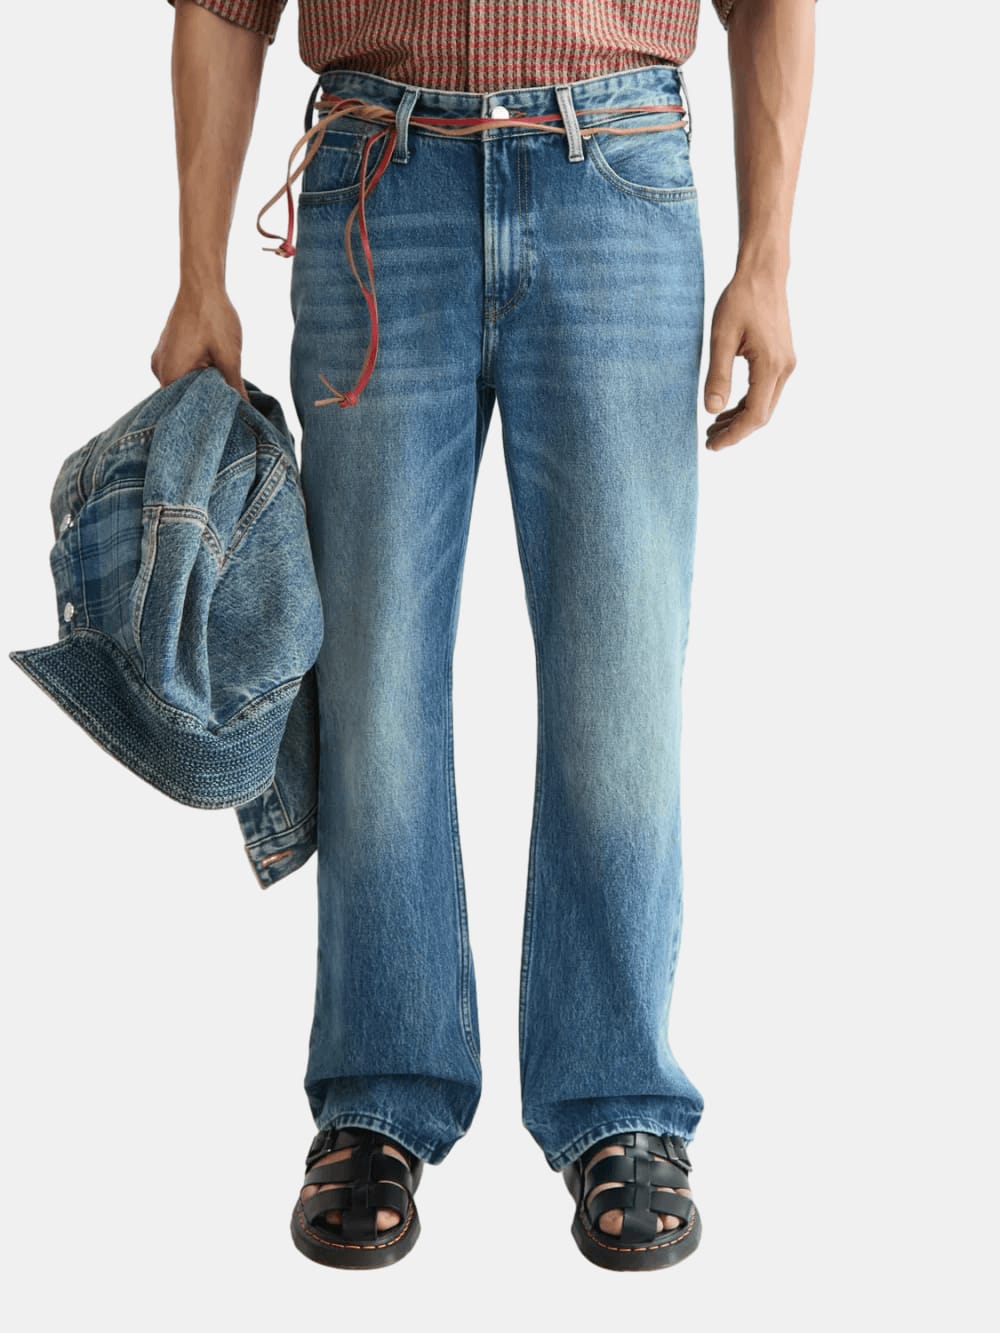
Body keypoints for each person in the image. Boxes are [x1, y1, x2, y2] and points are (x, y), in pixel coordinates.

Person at [154, 0, 815, 1271]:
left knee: (619, 686)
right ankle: (378, 1092)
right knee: (371, 684)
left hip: (614, 177)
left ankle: (617, 1097)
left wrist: (768, 258)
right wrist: (197, 275)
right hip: (375, 186)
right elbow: (223, 8)